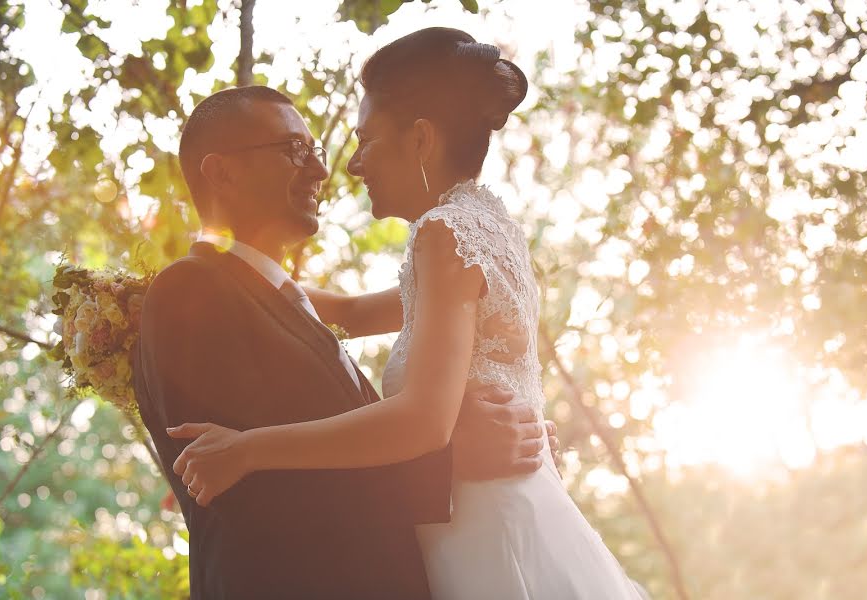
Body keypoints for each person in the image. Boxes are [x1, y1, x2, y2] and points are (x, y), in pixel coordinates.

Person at [169, 28, 643, 599]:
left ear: (420, 139)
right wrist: (216, 273)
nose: (352, 165)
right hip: (511, 507)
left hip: (480, 532)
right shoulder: (487, 229)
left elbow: (423, 422)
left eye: (365, 140)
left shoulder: (444, 235)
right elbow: (344, 310)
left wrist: (248, 449)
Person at [133, 83, 556, 599]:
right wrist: (454, 463)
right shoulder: (190, 290)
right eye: (294, 150)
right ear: (222, 172)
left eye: (315, 151)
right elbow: (238, 489)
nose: (319, 170)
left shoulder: (283, 299)